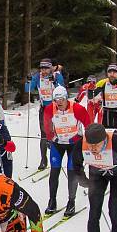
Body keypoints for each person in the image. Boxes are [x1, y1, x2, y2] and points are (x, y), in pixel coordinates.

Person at [42, 86, 92, 217]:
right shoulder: (49, 109)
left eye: (62, 99)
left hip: (73, 144)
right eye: (56, 100)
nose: (59, 102)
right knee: (54, 172)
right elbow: (46, 126)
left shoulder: (77, 108)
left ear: (66, 98)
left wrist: (83, 140)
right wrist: (51, 138)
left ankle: (71, 202)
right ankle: (52, 201)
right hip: (57, 145)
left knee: (72, 172)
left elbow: (89, 125)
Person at [29, 58, 65, 170]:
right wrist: (28, 81)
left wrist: (54, 81)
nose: (44, 71)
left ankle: (56, 159)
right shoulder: (37, 77)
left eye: (46, 68)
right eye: (42, 69)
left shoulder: (57, 76)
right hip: (44, 109)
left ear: (51, 68)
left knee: (56, 134)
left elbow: (62, 89)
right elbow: (29, 89)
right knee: (43, 134)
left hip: (56, 109)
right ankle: (43, 161)